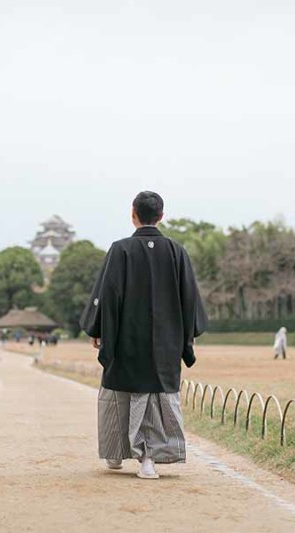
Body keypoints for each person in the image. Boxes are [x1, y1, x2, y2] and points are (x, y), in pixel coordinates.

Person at [80, 191, 207, 480]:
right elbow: (190, 298)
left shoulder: (120, 249)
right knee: (154, 396)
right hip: (166, 343)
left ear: (133, 213)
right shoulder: (177, 251)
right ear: (161, 216)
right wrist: (188, 336)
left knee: (118, 392)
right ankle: (147, 458)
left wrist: (98, 329)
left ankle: (118, 453)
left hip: (125, 340)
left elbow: (107, 295)